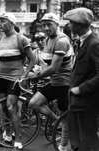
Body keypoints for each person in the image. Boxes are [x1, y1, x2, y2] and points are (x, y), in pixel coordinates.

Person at [27, 13, 73, 151]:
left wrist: (36, 77)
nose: (46, 28)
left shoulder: (61, 41)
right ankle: (56, 122)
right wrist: (37, 71)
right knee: (34, 103)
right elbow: (47, 64)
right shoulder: (48, 40)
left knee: (65, 117)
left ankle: (64, 147)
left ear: (57, 24)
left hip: (65, 82)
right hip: (54, 82)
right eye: (44, 25)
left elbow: (53, 68)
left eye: (49, 25)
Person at [0, 13, 35, 151]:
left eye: (3, 21)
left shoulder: (21, 39)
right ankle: (7, 135)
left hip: (14, 77)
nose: (0, 24)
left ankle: (18, 141)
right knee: (4, 108)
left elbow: (32, 59)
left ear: (11, 23)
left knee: (11, 107)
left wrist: (24, 75)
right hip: (0, 76)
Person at [64, 7, 99, 151]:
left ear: (79, 25)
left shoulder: (94, 44)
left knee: (88, 143)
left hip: (86, 102)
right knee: (77, 143)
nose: (69, 25)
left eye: (71, 22)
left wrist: (80, 89)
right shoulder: (83, 42)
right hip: (77, 102)